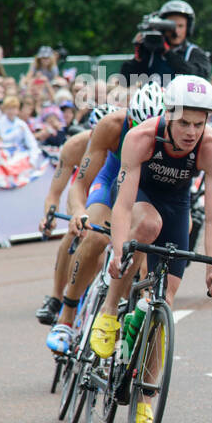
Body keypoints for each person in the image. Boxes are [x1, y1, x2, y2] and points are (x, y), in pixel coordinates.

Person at [89, 76, 212, 423]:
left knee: (163, 305)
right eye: (183, 122)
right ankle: (108, 311)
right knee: (147, 225)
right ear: (168, 115)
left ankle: (146, 400)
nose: (191, 132)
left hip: (177, 204)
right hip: (140, 196)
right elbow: (121, 205)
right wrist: (120, 250)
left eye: (199, 124)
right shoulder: (141, 138)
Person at [45, 82, 166, 353]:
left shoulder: (174, 133)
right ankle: (66, 314)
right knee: (97, 235)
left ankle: (124, 312)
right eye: (137, 127)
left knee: (144, 243)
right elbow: (80, 184)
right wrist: (79, 211)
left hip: (144, 187)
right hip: (111, 178)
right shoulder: (111, 126)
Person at [36, 105, 110, 326]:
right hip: (84, 193)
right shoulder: (75, 146)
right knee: (73, 234)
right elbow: (54, 193)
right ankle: (57, 298)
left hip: (109, 192)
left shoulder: (123, 144)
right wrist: (48, 217)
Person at [119, 0, 212, 86]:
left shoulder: (194, 53)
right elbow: (125, 81)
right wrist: (138, 57)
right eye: (171, 26)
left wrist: (167, 52)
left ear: (188, 28)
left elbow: (200, 78)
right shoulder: (151, 52)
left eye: (180, 26)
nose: (176, 31)